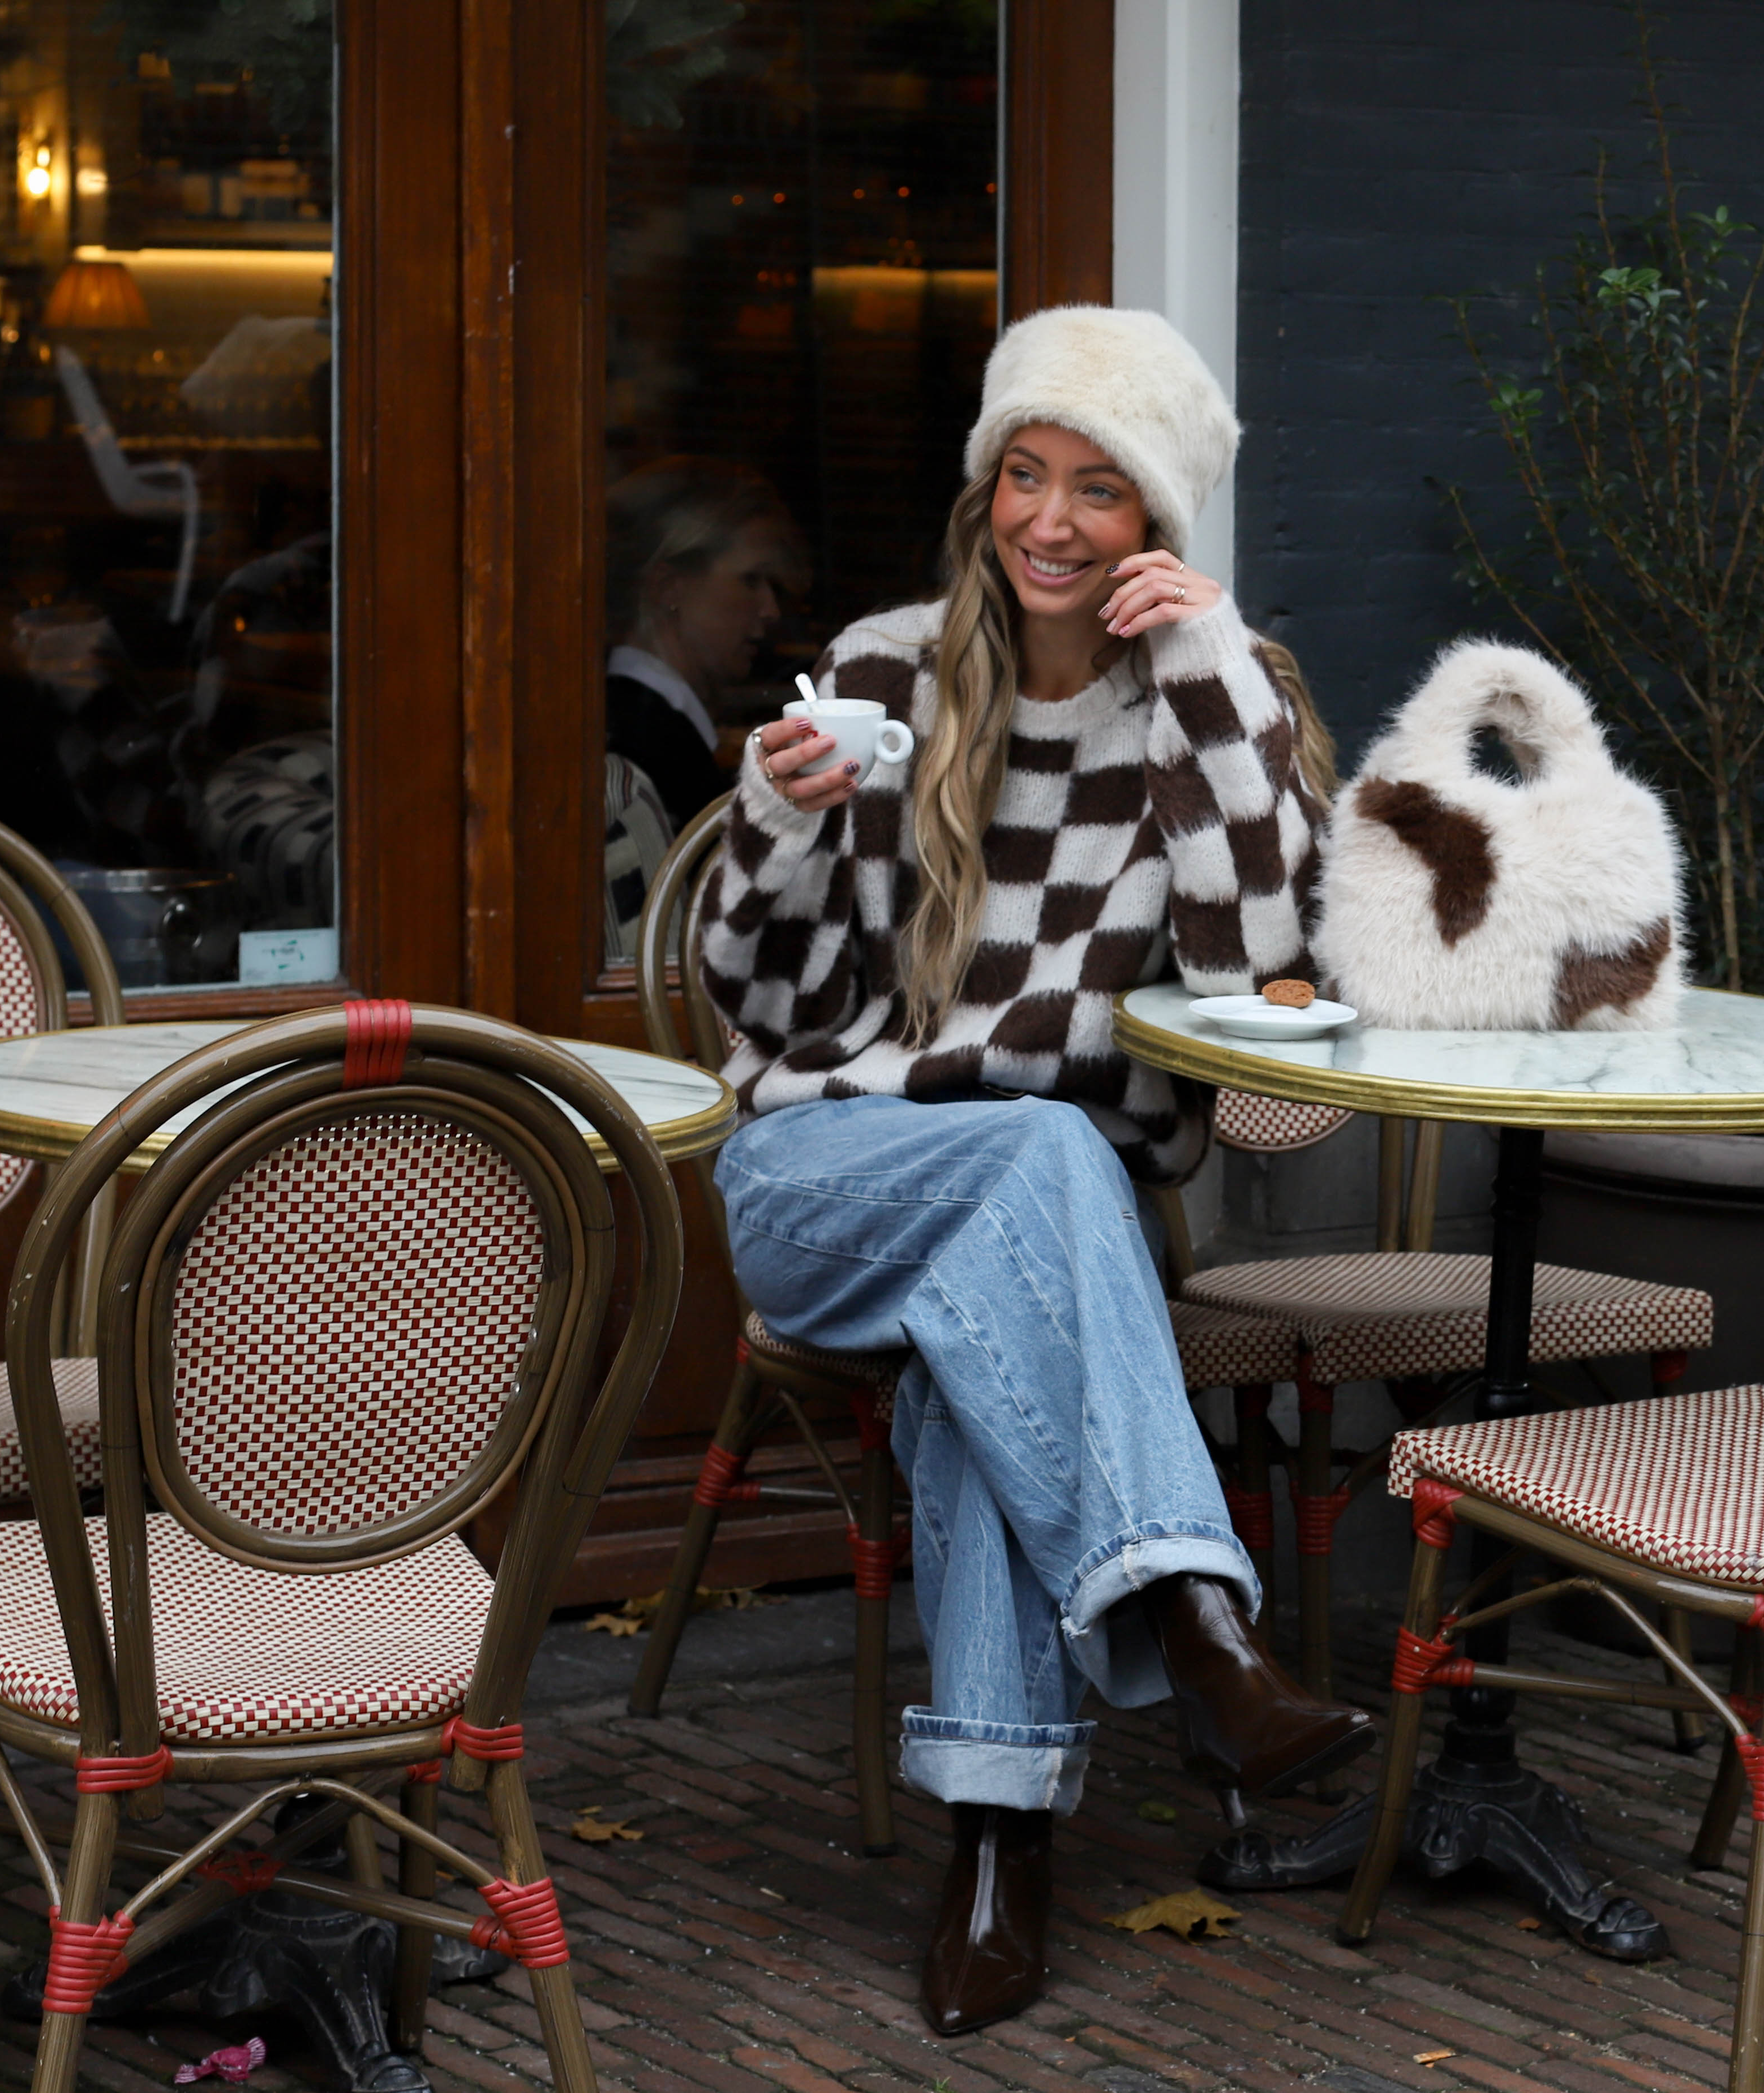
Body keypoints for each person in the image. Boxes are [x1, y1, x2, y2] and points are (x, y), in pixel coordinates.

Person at [699, 306, 1366, 2038]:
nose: (1051, 520)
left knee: (987, 1334)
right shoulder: (883, 673)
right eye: (1025, 473)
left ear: (1157, 524)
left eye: (1100, 487)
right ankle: (1198, 1629)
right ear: (984, 485)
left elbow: (1259, 968)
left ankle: (998, 1853)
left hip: (1042, 1236)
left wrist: (1212, 665)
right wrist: (779, 824)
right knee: (1041, 1157)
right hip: (830, 1176)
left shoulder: (1205, 696)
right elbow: (762, 1006)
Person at [604, 457, 809, 827]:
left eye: (772, 585)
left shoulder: (650, 725)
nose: (771, 610)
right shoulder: (651, 746)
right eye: (750, 580)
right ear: (669, 587)